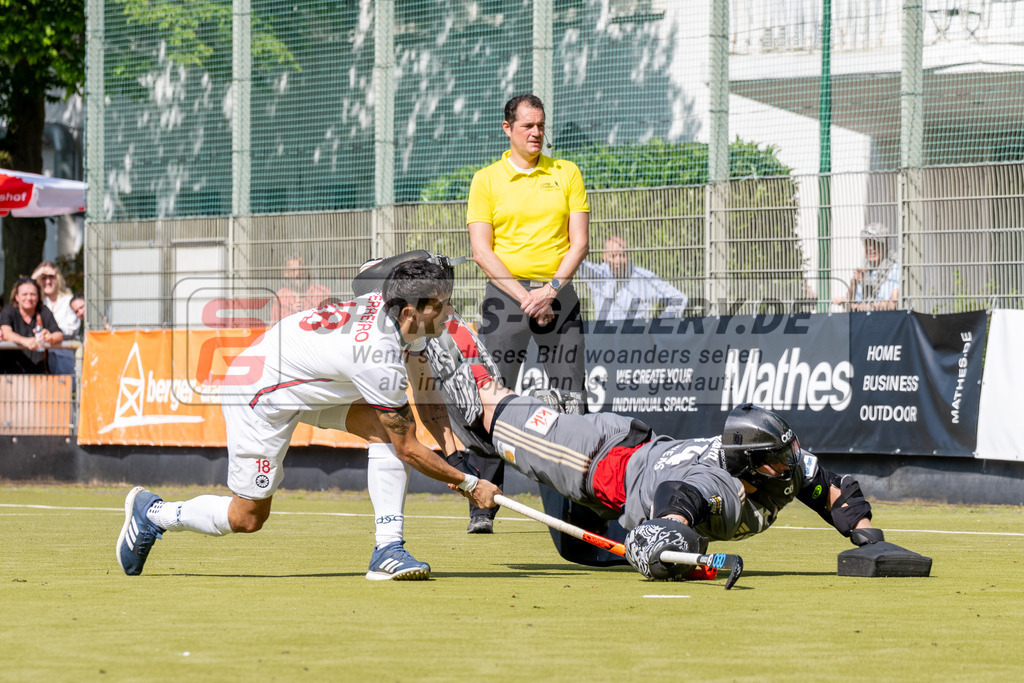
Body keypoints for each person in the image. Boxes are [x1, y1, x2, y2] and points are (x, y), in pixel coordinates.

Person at [116, 260, 500, 580]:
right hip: (260, 394)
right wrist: (469, 483)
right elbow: (408, 448)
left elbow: (421, 384)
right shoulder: (376, 353)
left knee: (383, 428)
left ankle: (388, 549)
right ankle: (153, 513)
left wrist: (452, 453)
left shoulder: (400, 315)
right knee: (247, 517)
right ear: (410, 312)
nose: (449, 313)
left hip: (305, 380)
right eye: (442, 306)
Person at [444, 375, 909, 580]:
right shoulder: (710, 486)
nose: (791, 464)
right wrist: (668, 538)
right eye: (779, 460)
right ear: (749, 466)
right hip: (592, 460)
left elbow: (833, 489)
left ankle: (539, 406)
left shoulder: (784, 471)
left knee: (575, 552)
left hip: (623, 478)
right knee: (488, 415)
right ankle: (462, 368)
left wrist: (871, 540)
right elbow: (676, 501)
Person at [465, 93, 591, 533]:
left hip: (560, 295)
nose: (536, 133)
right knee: (489, 397)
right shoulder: (485, 180)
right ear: (508, 129)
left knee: (573, 399)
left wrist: (551, 289)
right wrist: (524, 296)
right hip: (506, 298)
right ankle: (483, 503)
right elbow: (481, 251)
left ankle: (583, 502)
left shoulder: (567, 173)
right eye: (527, 127)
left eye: (540, 126)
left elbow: (579, 243)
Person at [577, 235, 689, 319]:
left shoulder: (644, 278)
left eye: (622, 255)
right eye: (613, 256)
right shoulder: (597, 275)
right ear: (604, 256)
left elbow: (679, 299)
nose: (618, 261)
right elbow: (573, 260)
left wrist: (659, 325)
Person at [0, 277, 64, 374]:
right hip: (10, 377)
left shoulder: (43, 311)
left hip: (39, 376)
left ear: (38, 297)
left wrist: (49, 337)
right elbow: (6, 332)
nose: (29, 298)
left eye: (33, 294)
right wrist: (25, 341)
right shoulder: (9, 310)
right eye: (24, 294)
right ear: (17, 297)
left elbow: (59, 335)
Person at [833, 223, 900, 312]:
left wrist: (858, 307)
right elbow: (848, 307)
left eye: (875, 243)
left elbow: (893, 304)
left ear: (886, 245)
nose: (871, 248)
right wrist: (854, 283)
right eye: (867, 243)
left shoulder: (896, 267)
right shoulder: (865, 268)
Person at [31, 262, 78, 374]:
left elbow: (72, 328)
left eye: (51, 277)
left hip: (64, 356)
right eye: (43, 277)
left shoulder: (68, 300)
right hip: (41, 358)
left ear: (58, 278)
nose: (48, 282)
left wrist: (52, 334)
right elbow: (25, 287)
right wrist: (36, 274)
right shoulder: (36, 302)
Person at [271, 253, 332, 322]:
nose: (297, 274)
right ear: (286, 273)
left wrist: (307, 313)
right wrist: (292, 314)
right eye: (293, 270)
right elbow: (274, 327)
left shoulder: (322, 293)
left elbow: (330, 321)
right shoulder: (280, 297)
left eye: (301, 269)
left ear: (307, 270)